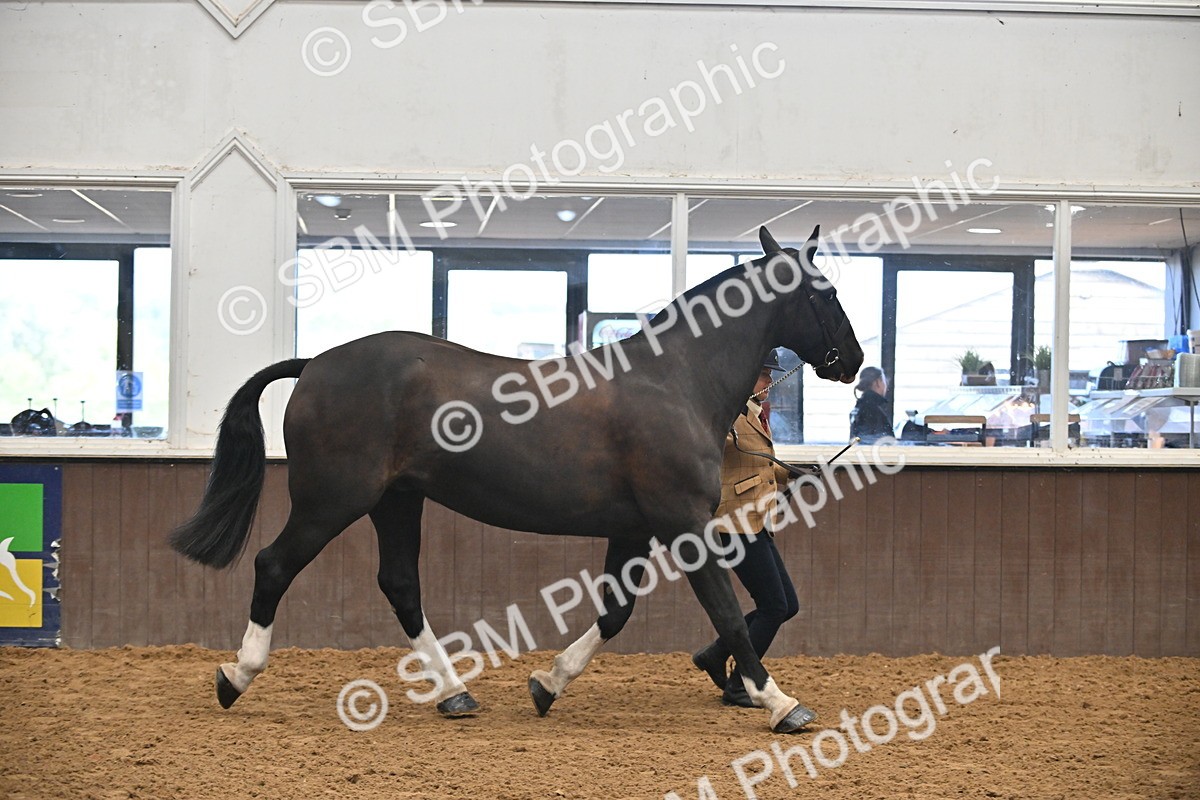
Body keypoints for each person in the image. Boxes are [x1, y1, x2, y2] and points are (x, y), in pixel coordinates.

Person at [691, 349, 800, 708]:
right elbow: (714, 450)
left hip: (754, 521)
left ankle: (716, 653)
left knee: (787, 604)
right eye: (765, 374)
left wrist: (792, 475)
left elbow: (759, 461)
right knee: (773, 605)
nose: (770, 381)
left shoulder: (752, 411)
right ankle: (741, 684)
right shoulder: (724, 412)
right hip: (733, 522)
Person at [849, 366, 893, 443]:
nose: (886, 385)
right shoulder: (872, 409)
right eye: (884, 380)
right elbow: (872, 440)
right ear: (878, 383)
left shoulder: (861, 405)